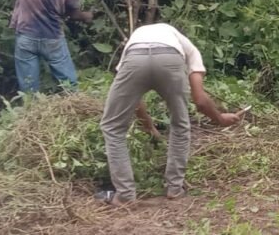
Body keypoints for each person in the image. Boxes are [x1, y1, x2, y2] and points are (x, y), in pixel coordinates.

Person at [97, 22, 243, 206]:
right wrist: (220, 119)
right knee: (180, 125)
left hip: (134, 57)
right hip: (170, 60)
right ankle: (174, 189)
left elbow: (134, 101)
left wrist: (149, 127)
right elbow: (200, 100)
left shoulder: (139, 37)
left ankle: (125, 195)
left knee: (113, 126)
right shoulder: (191, 51)